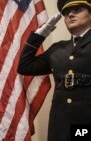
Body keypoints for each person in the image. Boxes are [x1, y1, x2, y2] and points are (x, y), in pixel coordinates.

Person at [17, 0, 91, 140]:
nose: (70, 14)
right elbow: (25, 66)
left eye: (77, 10)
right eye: (67, 12)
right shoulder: (58, 49)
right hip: (60, 127)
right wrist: (39, 36)